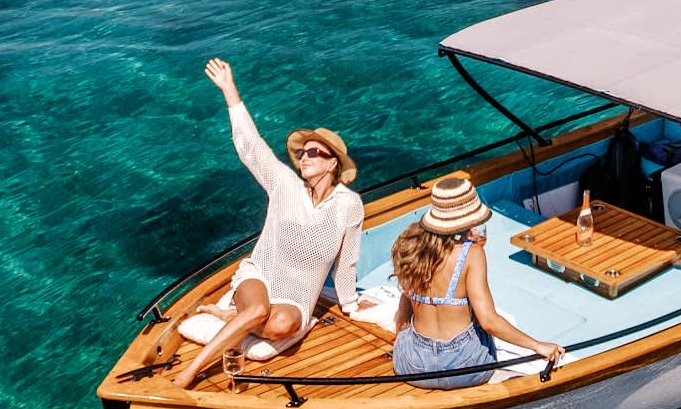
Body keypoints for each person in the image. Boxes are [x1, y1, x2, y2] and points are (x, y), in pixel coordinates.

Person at [165, 58, 365, 390]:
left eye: (313, 153)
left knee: (282, 323)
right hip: (260, 275)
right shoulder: (284, 185)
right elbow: (251, 147)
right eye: (302, 153)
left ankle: (229, 316)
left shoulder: (349, 205)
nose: (304, 156)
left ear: (333, 164)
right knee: (258, 309)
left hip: (297, 296)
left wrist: (351, 304)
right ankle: (192, 371)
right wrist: (230, 91)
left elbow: (347, 261)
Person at [391, 173, 564, 389]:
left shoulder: (412, 247)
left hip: (412, 365)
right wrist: (538, 346)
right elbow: (488, 321)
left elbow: (405, 300)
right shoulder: (471, 254)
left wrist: (402, 336)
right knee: (479, 327)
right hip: (462, 367)